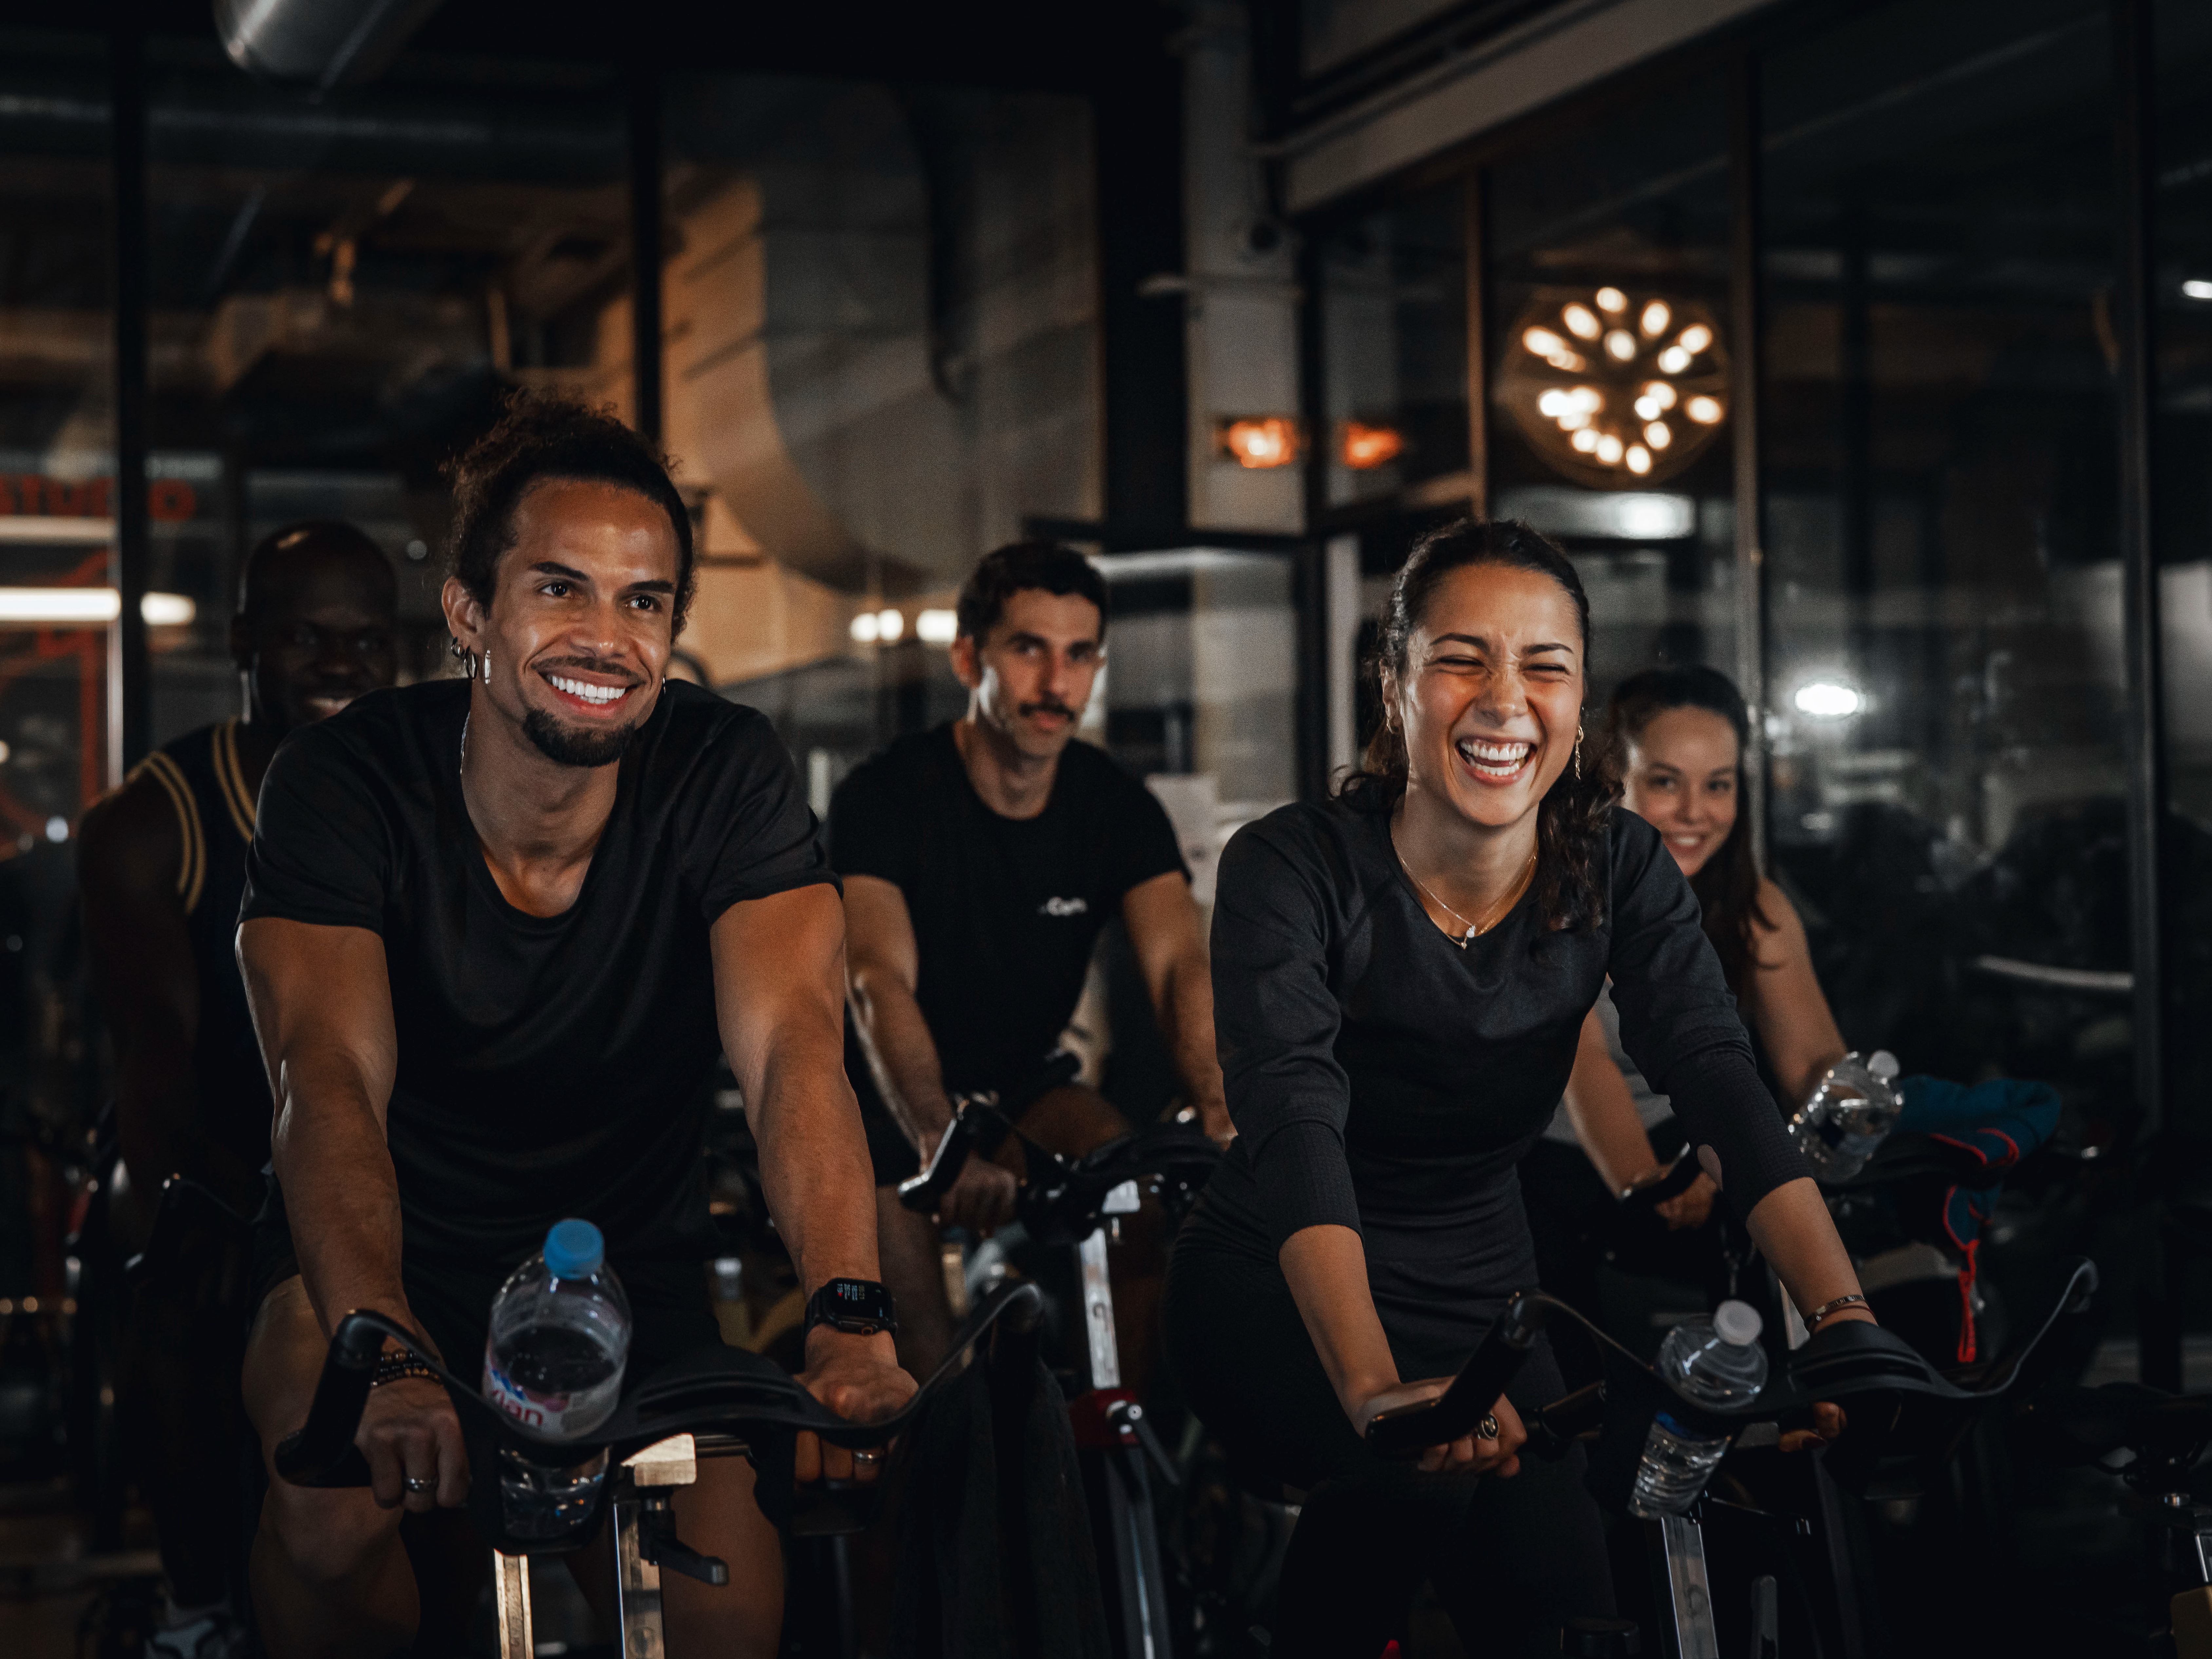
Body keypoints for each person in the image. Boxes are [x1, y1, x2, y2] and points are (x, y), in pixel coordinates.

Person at [234, 394, 912, 1659]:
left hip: (623, 1258)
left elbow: (792, 1058)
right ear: (468, 611)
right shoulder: (342, 784)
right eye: (561, 590)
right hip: (387, 1253)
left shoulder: (726, 770)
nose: (606, 637)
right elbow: (321, 1080)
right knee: (329, 1522)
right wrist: (378, 1337)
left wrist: (848, 1306)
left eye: (644, 601)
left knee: (730, 1614)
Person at [1162, 519, 1874, 1657]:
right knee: (1410, 1481)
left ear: (1578, 697)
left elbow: (1714, 1075)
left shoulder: (1619, 862)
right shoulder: (1291, 865)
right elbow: (1293, 1118)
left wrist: (1844, 1319)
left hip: (1486, 1288)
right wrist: (1370, 1384)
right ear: (1393, 683)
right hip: (1282, 1285)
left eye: (1544, 665)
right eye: (1459, 659)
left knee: (1569, 1608)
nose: (1505, 700)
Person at [78, 519, 399, 1659]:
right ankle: (199, 1600)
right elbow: (159, 1053)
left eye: (366, 640)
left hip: (392, 1146)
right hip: (218, 1144)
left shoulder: (433, 794)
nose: (339, 665)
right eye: (306, 634)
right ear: (244, 641)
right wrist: (234, 1200)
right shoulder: (147, 824)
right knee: (161, 1234)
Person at [832, 541, 1230, 1377]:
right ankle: (942, 1469)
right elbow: (874, 980)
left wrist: (1223, 1112)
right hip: (884, 1112)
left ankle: (1109, 1447)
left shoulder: (1114, 804)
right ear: (968, 656)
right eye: (1028, 650)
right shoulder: (887, 793)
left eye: (1079, 655)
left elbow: (1176, 966)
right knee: (923, 1367)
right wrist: (940, 1144)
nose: (1057, 685)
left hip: (1024, 1093)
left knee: (1135, 1198)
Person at [1524, 666, 1848, 1344]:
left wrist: (1860, 1110)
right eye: (1665, 782)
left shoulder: (1755, 906)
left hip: (1697, 1144)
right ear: (1615, 781)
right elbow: (1585, 1069)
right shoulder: (1561, 896)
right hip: (1565, 1167)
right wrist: (1650, 1183)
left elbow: (1813, 1060)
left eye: (1717, 785)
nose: (1695, 811)